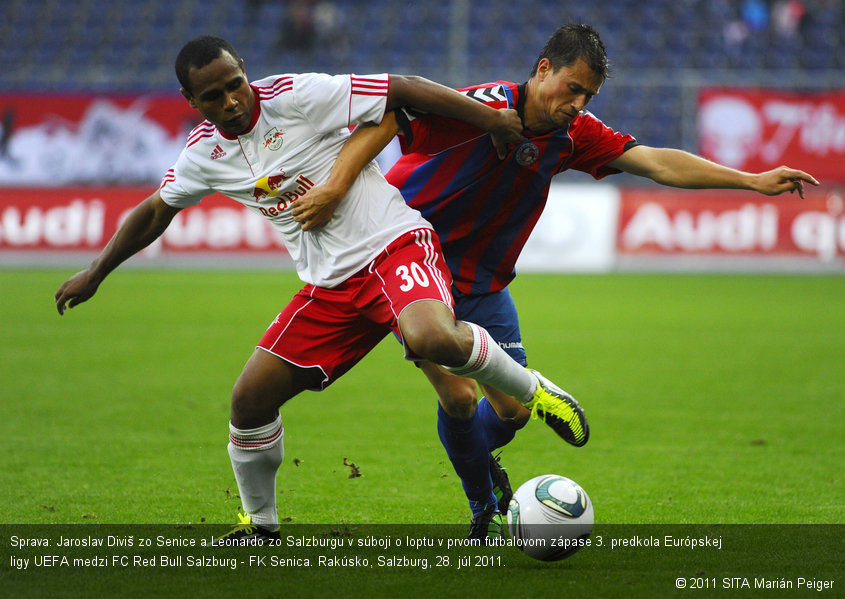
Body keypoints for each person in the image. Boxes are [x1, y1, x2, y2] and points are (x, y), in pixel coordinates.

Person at [289, 24, 820, 542]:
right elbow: (388, 118)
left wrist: (750, 180)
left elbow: (656, 163)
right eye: (573, 88)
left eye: (589, 94)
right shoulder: (480, 107)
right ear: (544, 69)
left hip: (486, 284)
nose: (580, 103)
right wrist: (336, 189)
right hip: (415, 270)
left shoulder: (574, 135)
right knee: (457, 396)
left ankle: (483, 464)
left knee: (513, 411)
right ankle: (485, 510)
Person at [53, 35, 588, 544]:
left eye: (236, 83)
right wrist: (97, 272)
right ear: (191, 100)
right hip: (330, 285)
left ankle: (536, 391)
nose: (233, 101)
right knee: (249, 401)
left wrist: (492, 119)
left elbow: (400, 90)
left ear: (246, 72)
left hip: (392, 244)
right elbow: (154, 211)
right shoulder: (203, 154)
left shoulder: (296, 96)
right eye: (213, 96)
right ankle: (261, 527)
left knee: (432, 337)